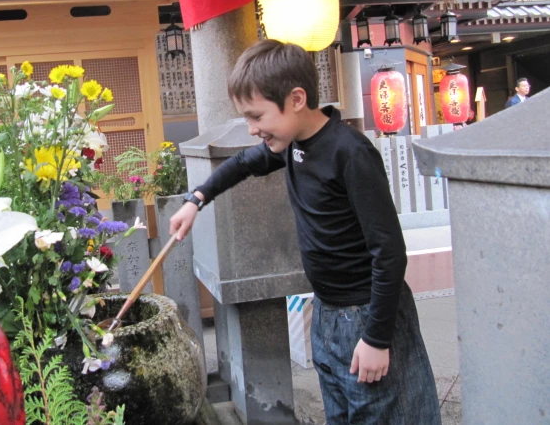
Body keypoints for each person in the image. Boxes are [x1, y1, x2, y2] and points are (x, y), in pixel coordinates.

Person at [170, 40, 441, 425]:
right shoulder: (293, 145)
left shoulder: (349, 153)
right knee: (343, 414)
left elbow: (390, 252)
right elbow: (244, 164)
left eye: (256, 116)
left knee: (384, 413)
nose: (251, 129)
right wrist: (195, 200)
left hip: (368, 315)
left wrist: (378, 338)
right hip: (328, 312)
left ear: (296, 98)